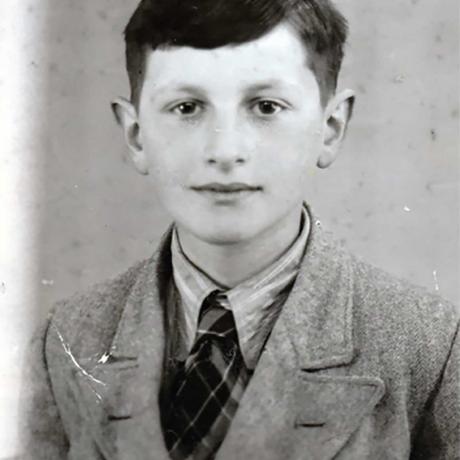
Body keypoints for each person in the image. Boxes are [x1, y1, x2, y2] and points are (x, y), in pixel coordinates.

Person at [22, 0, 459, 459]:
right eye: (187, 107)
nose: (225, 150)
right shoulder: (67, 339)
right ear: (135, 135)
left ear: (330, 128)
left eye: (266, 106)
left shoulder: (430, 346)